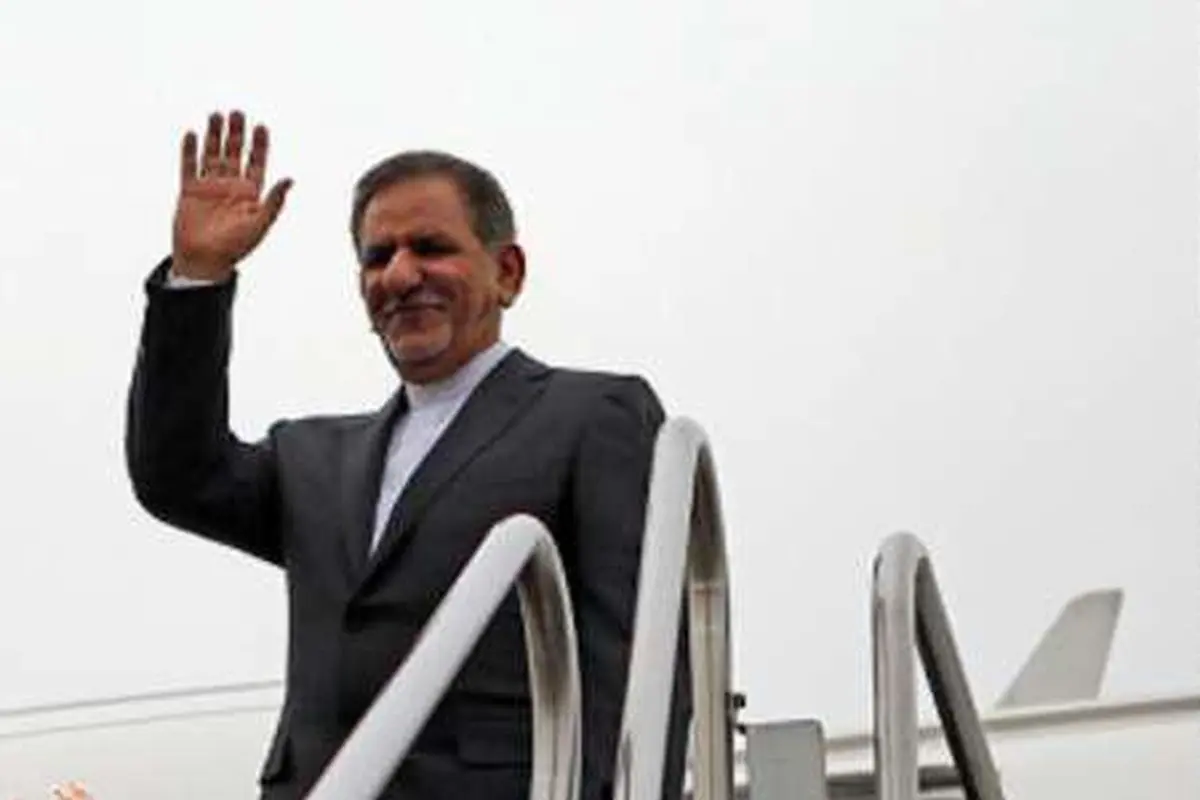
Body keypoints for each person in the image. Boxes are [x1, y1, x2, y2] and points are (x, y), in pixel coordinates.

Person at [124, 111, 690, 800]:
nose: (399, 274)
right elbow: (176, 477)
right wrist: (199, 277)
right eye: (377, 257)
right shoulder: (310, 459)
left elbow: (637, 660)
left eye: (431, 247)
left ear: (507, 272)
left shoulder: (592, 417)